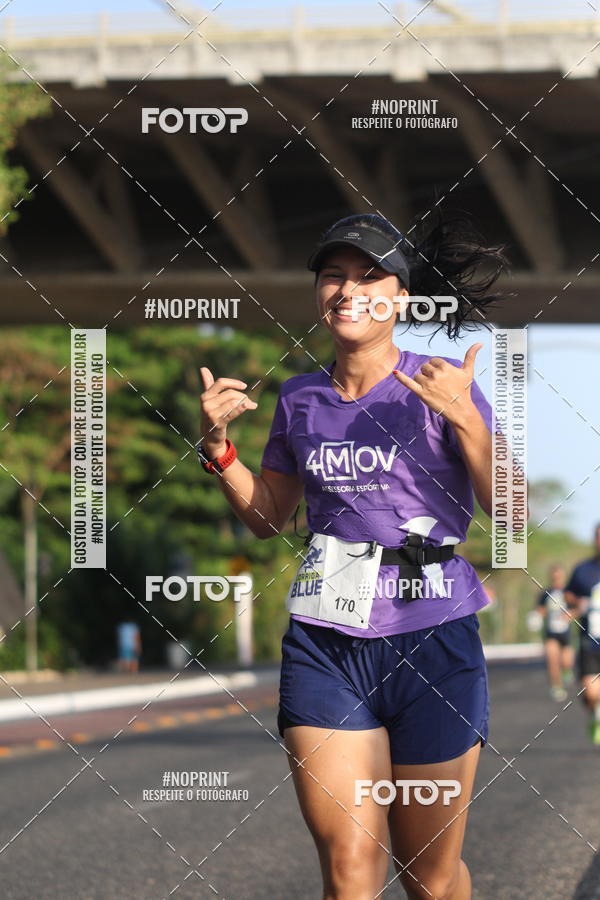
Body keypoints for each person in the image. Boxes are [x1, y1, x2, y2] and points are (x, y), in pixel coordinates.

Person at [198, 210, 513, 900]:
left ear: (400, 296)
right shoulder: (300, 398)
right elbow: (268, 517)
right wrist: (218, 450)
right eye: (333, 277)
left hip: (431, 637)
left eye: (369, 276)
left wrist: (464, 417)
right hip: (326, 642)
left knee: (427, 874)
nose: (347, 291)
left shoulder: (439, 385)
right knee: (350, 866)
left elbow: (512, 512)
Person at [564, 524, 600, 745]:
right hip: (590, 642)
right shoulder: (583, 569)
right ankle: (595, 715)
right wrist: (578, 603)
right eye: (597, 536)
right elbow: (568, 594)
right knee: (591, 694)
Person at [535, 565, 574, 702]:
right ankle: (556, 686)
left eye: (559, 575)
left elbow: (577, 608)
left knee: (566, 662)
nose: (556, 578)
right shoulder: (546, 593)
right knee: (552, 660)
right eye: (554, 575)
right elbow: (540, 610)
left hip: (566, 633)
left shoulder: (569, 591)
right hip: (551, 633)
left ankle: (567, 671)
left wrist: (571, 615)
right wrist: (538, 616)